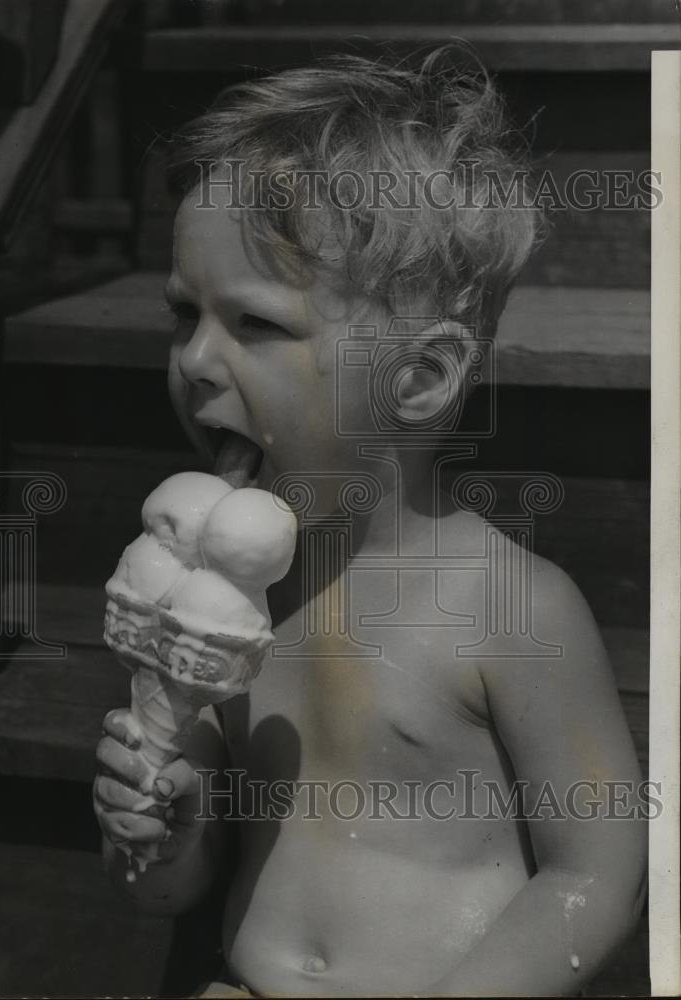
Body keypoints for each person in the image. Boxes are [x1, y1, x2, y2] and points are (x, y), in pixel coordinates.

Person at [93, 48, 646, 997]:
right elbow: (175, 890)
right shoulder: (220, 605)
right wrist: (163, 832)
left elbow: (594, 873)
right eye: (184, 315)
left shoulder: (509, 607)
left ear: (420, 378)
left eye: (256, 325)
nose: (196, 360)